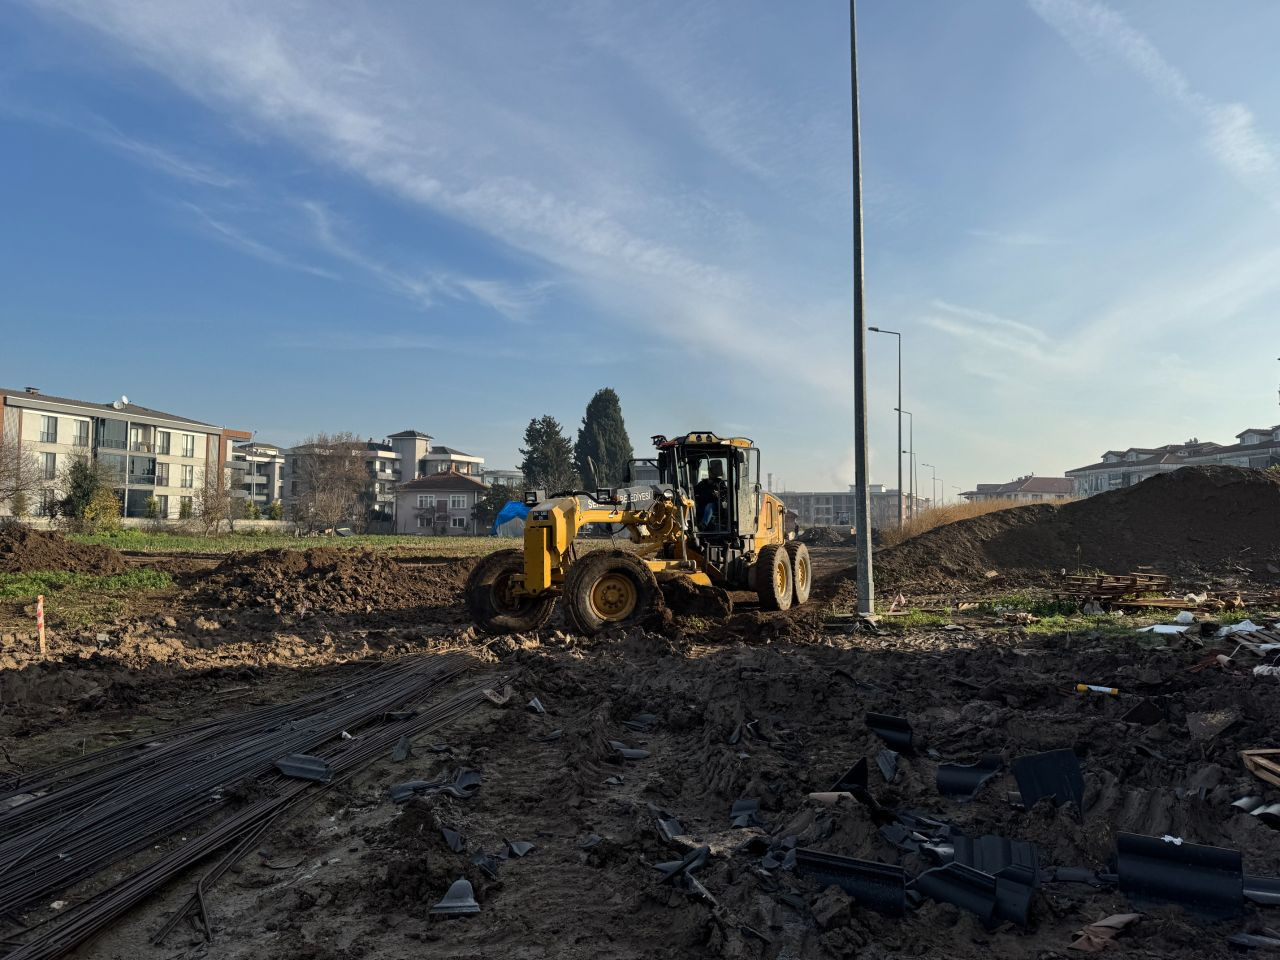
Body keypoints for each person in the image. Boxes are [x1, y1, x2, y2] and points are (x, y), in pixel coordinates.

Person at [694, 460, 727, 530]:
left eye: (712, 471)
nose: (710, 473)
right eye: (710, 471)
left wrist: (718, 494)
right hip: (701, 504)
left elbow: (725, 494)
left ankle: (703, 525)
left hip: (714, 505)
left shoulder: (720, 483)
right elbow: (694, 491)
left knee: (709, 507)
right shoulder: (703, 483)